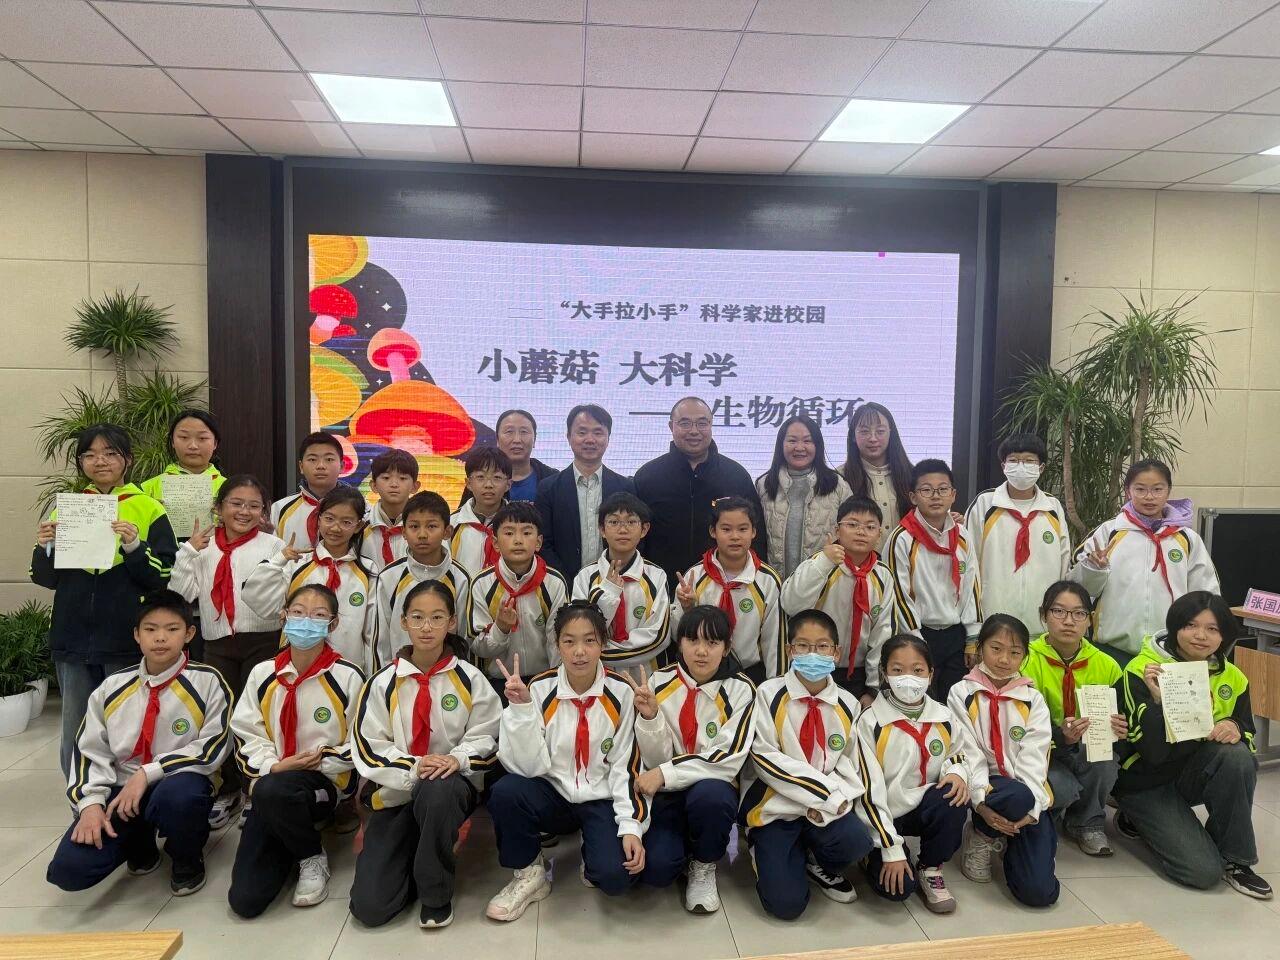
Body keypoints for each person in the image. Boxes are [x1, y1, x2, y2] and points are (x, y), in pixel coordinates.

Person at [48, 590, 231, 897]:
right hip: (122, 791)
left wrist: (149, 772)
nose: (160, 638)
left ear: (189, 634)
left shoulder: (207, 681)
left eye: (172, 629)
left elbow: (213, 746)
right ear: (136, 635)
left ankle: (186, 857)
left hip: (177, 782)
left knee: (180, 798)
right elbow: (89, 751)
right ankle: (139, 843)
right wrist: (90, 805)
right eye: (150, 629)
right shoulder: (112, 687)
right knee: (69, 871)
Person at [349, 580, 501, 929]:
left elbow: (489, 735)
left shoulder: (470, 678)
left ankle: (435, 893)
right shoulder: (382, 683)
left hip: (449, 790)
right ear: (403, 622)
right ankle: (416, 852)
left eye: (436, 617)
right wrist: (415, 767)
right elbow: (369, 745)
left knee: (437, 789)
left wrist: (456, 759)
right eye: (417, 617)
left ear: (451, 622)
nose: (426, 627)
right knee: (371, 909)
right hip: (397, 792)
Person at [740, 609, 908, 921]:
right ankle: (764, 848)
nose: (813, 654)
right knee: (786, 905)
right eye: (803, 646)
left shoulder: (848, 703)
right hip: (776, 808)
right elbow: (765, 761)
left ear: (836, 652)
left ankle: (816, 862)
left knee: (856, 840)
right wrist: (825, 796)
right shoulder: (767, 693)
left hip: (826, 811)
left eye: (822, 646)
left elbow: (857, 769)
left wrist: (890, 844)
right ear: (790, 650)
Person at [485, 602, 648, 920]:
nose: (579, 652)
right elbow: (525, 767)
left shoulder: (622, 694)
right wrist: (521, 710)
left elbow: (626, 766)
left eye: (589, 640)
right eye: (569, 641)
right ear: (557, 644)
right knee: (506, 790)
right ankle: (529, 873)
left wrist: (631, 827)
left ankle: (593, 849)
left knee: (616, 879)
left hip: (600, 799)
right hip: (553, 794)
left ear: (603, 644)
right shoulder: (539, 688)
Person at [32, 423, 178, 777]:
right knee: (76, 728)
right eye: (90, 455)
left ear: (127, 459)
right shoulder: (67, 509)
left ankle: (126, 796)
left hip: (124, 637)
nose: (100, 461)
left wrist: (134, 546)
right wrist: (44, 546)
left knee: (126, 725)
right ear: (81, 462)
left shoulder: (148, 508)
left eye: (110, 453)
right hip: (72, 636)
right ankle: (81, 797)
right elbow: (46, 579)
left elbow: (163, 576)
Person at [1114, 591, 1271, 899]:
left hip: (1192, 773)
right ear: (1175, 628)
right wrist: (1159, 702)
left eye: (1212, 629)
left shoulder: (1233, 678)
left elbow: (1248, 736)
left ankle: (1236, 859)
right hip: (1146, 781)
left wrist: (1234, 727)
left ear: (1224, 636)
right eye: (1191, 625)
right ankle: (1136, 817)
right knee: (1203, 872)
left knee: (1237, 757)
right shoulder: (1141, 670)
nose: (1201, 636)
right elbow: (1152, 752)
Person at [228, 584, 365, 917]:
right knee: (245, 900)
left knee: (275, 791)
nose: (306, 622)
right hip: (273, 780)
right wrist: (273, 766)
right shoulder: (263, 674)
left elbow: (362, 741)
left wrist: (316, 762)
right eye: (299, 612)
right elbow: (246, 732)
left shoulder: (347, 677)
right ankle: (291, 837)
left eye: (318, 615)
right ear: (284, 616)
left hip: (322, 783)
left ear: (332, 624)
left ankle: (310, 856)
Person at [168, 474, 282, 829]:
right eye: (236, 503)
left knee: (259, 716)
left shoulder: (273, 545)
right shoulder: (202, 547)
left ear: (263, 512)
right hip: (217, 642)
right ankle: (229, 786)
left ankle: (255, 787)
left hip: (264, 640)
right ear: (219, 507)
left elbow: (279, 596)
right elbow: (182, 595)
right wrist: (188, 552)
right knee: (222, 716)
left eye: (254, 506)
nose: (244, 512)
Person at [625, 605, 755, 914]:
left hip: (711, 790)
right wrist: (651, 718)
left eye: (712, 642)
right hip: (667, 793)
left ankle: (704, 863)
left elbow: (727, 758)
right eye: (692, 640)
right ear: (680, 642)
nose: (701, 651)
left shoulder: (742, 690)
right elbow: (653, 759)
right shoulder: (658, 681)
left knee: (712, 796)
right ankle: (682, 848)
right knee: (656, 872)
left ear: (726, 648)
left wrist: (666, 773)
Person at [857, 634, 972, 914]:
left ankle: (930, 867)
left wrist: (957, 771)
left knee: (954, 796)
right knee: (898, 890)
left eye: (918, 670)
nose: (908, 678)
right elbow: (868, 792)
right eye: (897, 670)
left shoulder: (943, 716)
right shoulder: (869, 722)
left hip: (924, 807)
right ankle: (871, 853)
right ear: (884, 673)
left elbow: (958, 752)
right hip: (883, 814)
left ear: (931, 674)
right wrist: (891, 849)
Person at [948, 615, 1058, 907]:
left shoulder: (1033, 700)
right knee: (1015, 796)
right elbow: (968, 752)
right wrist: (980, 805)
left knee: (1040, 894)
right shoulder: (962, 693)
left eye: (1015, 652)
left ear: (1024, 656)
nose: (1004, 659)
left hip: (1026, 791)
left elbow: (1035, 759)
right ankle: (981, 834)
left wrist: (1032, 811)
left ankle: (1012, 837)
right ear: (980, 648)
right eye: (996, 648)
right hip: (988, 788)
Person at [1069, 459, 1219, 666]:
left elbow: (1206, 595)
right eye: (1140, 489)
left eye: (1157, 489)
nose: (1149, 497)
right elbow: (1079, 591)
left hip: (1171, 652)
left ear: (1168, 491)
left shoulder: (1187, 538)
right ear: (1128, 491)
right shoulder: (1109, 532)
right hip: (1112, 651)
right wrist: (1094, 568)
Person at [782, 496, 920, 704]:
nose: (861, 532)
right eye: (852, 525)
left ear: (879, 534)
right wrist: (824, 563)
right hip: (815, 666)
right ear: (837, 530)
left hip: (859, 673)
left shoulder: (883, 575)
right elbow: (790, 605)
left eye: (870, 527)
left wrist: (873, 688)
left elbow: (882, 633)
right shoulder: (820, 564)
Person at [1021, 582, 1125, 857]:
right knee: (1062, 788)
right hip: (1041, 752)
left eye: (1079, 613)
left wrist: (1121, 728)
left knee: (1106, 760)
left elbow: (1123, 720)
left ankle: (1086, 822)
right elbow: (1017, 723)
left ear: (1090, 620)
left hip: (1085, 749)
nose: (1069, 621)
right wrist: (1060, 735)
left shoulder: (1107, 665)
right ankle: (1050, 812)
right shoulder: (1026, 660)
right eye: (1059, 611)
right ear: (1043, 615)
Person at [633, 396, 766, 585]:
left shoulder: (736, 475)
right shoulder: (647, 477)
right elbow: (635, 536)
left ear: (711, 425)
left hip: (724, 587)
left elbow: (756, 534)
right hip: (660, 587)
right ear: (671, 426)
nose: (694, 431)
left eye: (702, 423)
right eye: (685, 423)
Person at [243, 485, 375, 671]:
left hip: (347, 668)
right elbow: (257, 600)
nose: (335, 528)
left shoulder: (368, 571)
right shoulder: (297, 563)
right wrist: (279, 560)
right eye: (329, 519)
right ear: (318, 520)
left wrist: (367, 673)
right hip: (295, 664)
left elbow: (371, 632)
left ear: (358, 526)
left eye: (346, 522)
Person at [886, 459, 981, 700]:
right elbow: (897, 594)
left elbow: (972, 586)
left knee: (954, 703)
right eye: (926, 490)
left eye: (942, 489)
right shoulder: (902, 538)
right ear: (913, 497)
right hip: (918, 633)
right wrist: (914, 639)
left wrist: (972, 636)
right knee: (918, 703)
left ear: (953, 494)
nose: (935, 496)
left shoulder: (962, 535)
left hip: (955, 635)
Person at [964, 433, 1071, 636]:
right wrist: (973, 626)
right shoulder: (985, 504)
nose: (1021, 467)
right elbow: (969, 566)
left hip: (1042, 627)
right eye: (1014, 460)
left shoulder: (1053, 508)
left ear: (1041, 467)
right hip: (992, 623)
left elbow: (1064, 564)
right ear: (1003, 466)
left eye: (1029, 461)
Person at [674, 496, 785, 683]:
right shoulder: (694, 577)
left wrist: (775, 687)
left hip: (749, 673)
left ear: (754, 532)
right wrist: (687, 609)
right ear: (713, 531)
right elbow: (677, 636)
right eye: (726, 529)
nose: (735, 536)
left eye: (743, 529)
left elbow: (775, 640)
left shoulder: (767, 580)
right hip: (702, 671)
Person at [469, 501, 570, 691]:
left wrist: (556, 682)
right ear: (495, 543)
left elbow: (558, 640)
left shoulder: (554, 583)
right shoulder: (481, 584)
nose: (518, 540)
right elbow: (477, 648)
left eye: (526, 533)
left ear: (538, 542)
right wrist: (501, 629)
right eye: (509, 533)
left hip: (544, 681)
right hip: (497, 682)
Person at [372, 491, 472, 670]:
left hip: (448, 673)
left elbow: (463, 635)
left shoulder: (460, 578)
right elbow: (381, 639)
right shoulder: (389, 577)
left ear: (447, 532)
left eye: (432, 526)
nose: (422, 534)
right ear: (403, 532)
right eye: (414, 526)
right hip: (399, 673)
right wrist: (387, 676)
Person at [572, 492, 671, 670]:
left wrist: (600, 653)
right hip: (597, 675)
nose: (623, 530)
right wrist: (608, 592)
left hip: (647, 674)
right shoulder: (585, 577)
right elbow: (579, 630)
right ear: (602, 529)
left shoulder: (656, 576)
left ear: (644, 529)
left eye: (631, 522)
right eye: (614, 522)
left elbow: (658, 637)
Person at [536, 404, 634, 577]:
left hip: (614, 581)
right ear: (569, 437)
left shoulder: (625, 487)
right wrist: (567, 582)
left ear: (608, 438)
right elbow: (543, 543)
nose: (590, 439)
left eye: (598, 433)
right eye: (582, 432)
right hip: (563, 583)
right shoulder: (548, 488)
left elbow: (633, 538)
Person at [756, 415, 852, 579]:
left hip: (824, 583)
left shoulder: (837, 485)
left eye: (807, 441)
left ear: (817, 445)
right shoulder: (764, 485)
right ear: (781, 444)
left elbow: (850, 535)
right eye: (792, 441)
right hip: (774, 582)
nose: (799, 447)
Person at [839, 403, 913, 551]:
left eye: (880, 431)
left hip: (907, 561)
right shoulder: (839, 478)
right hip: (859, 563)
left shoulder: (913, 476)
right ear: (853, 435)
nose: (873, 438)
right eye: (864, 431)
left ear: (891, 433)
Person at [139, 408, 226, 533]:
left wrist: (230, 521)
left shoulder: (229, 489)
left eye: (202, 438)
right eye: (184, 437)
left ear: (215, 443)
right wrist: (149, 515)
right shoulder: (148, 489)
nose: (193, 446)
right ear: (173, 441)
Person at [270, 431, 344, 551]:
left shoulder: (360, 510)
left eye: (329, 459)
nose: (320, 466)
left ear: (342, 466)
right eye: (312, 459)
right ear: (301, 467)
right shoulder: (279, 509)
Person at [450, 446, 512, 578]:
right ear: (468, 483)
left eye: (497, 477)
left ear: (508, 484)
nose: (488, 484)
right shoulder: (451, 524)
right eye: (480, 477)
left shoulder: (519, 526)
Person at [360, 448, 421, 573]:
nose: (394, 484)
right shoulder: (360, 526)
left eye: (402, 478)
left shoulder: (425, 528)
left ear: (415, 487)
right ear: (374, 486)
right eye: (386, 478)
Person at [496, 409, 556, 502]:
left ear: (534, 439)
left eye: (524, 432)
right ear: (497, 440)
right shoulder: (480, 480)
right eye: (509, 432)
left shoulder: (554, 479)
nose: (517, 440)